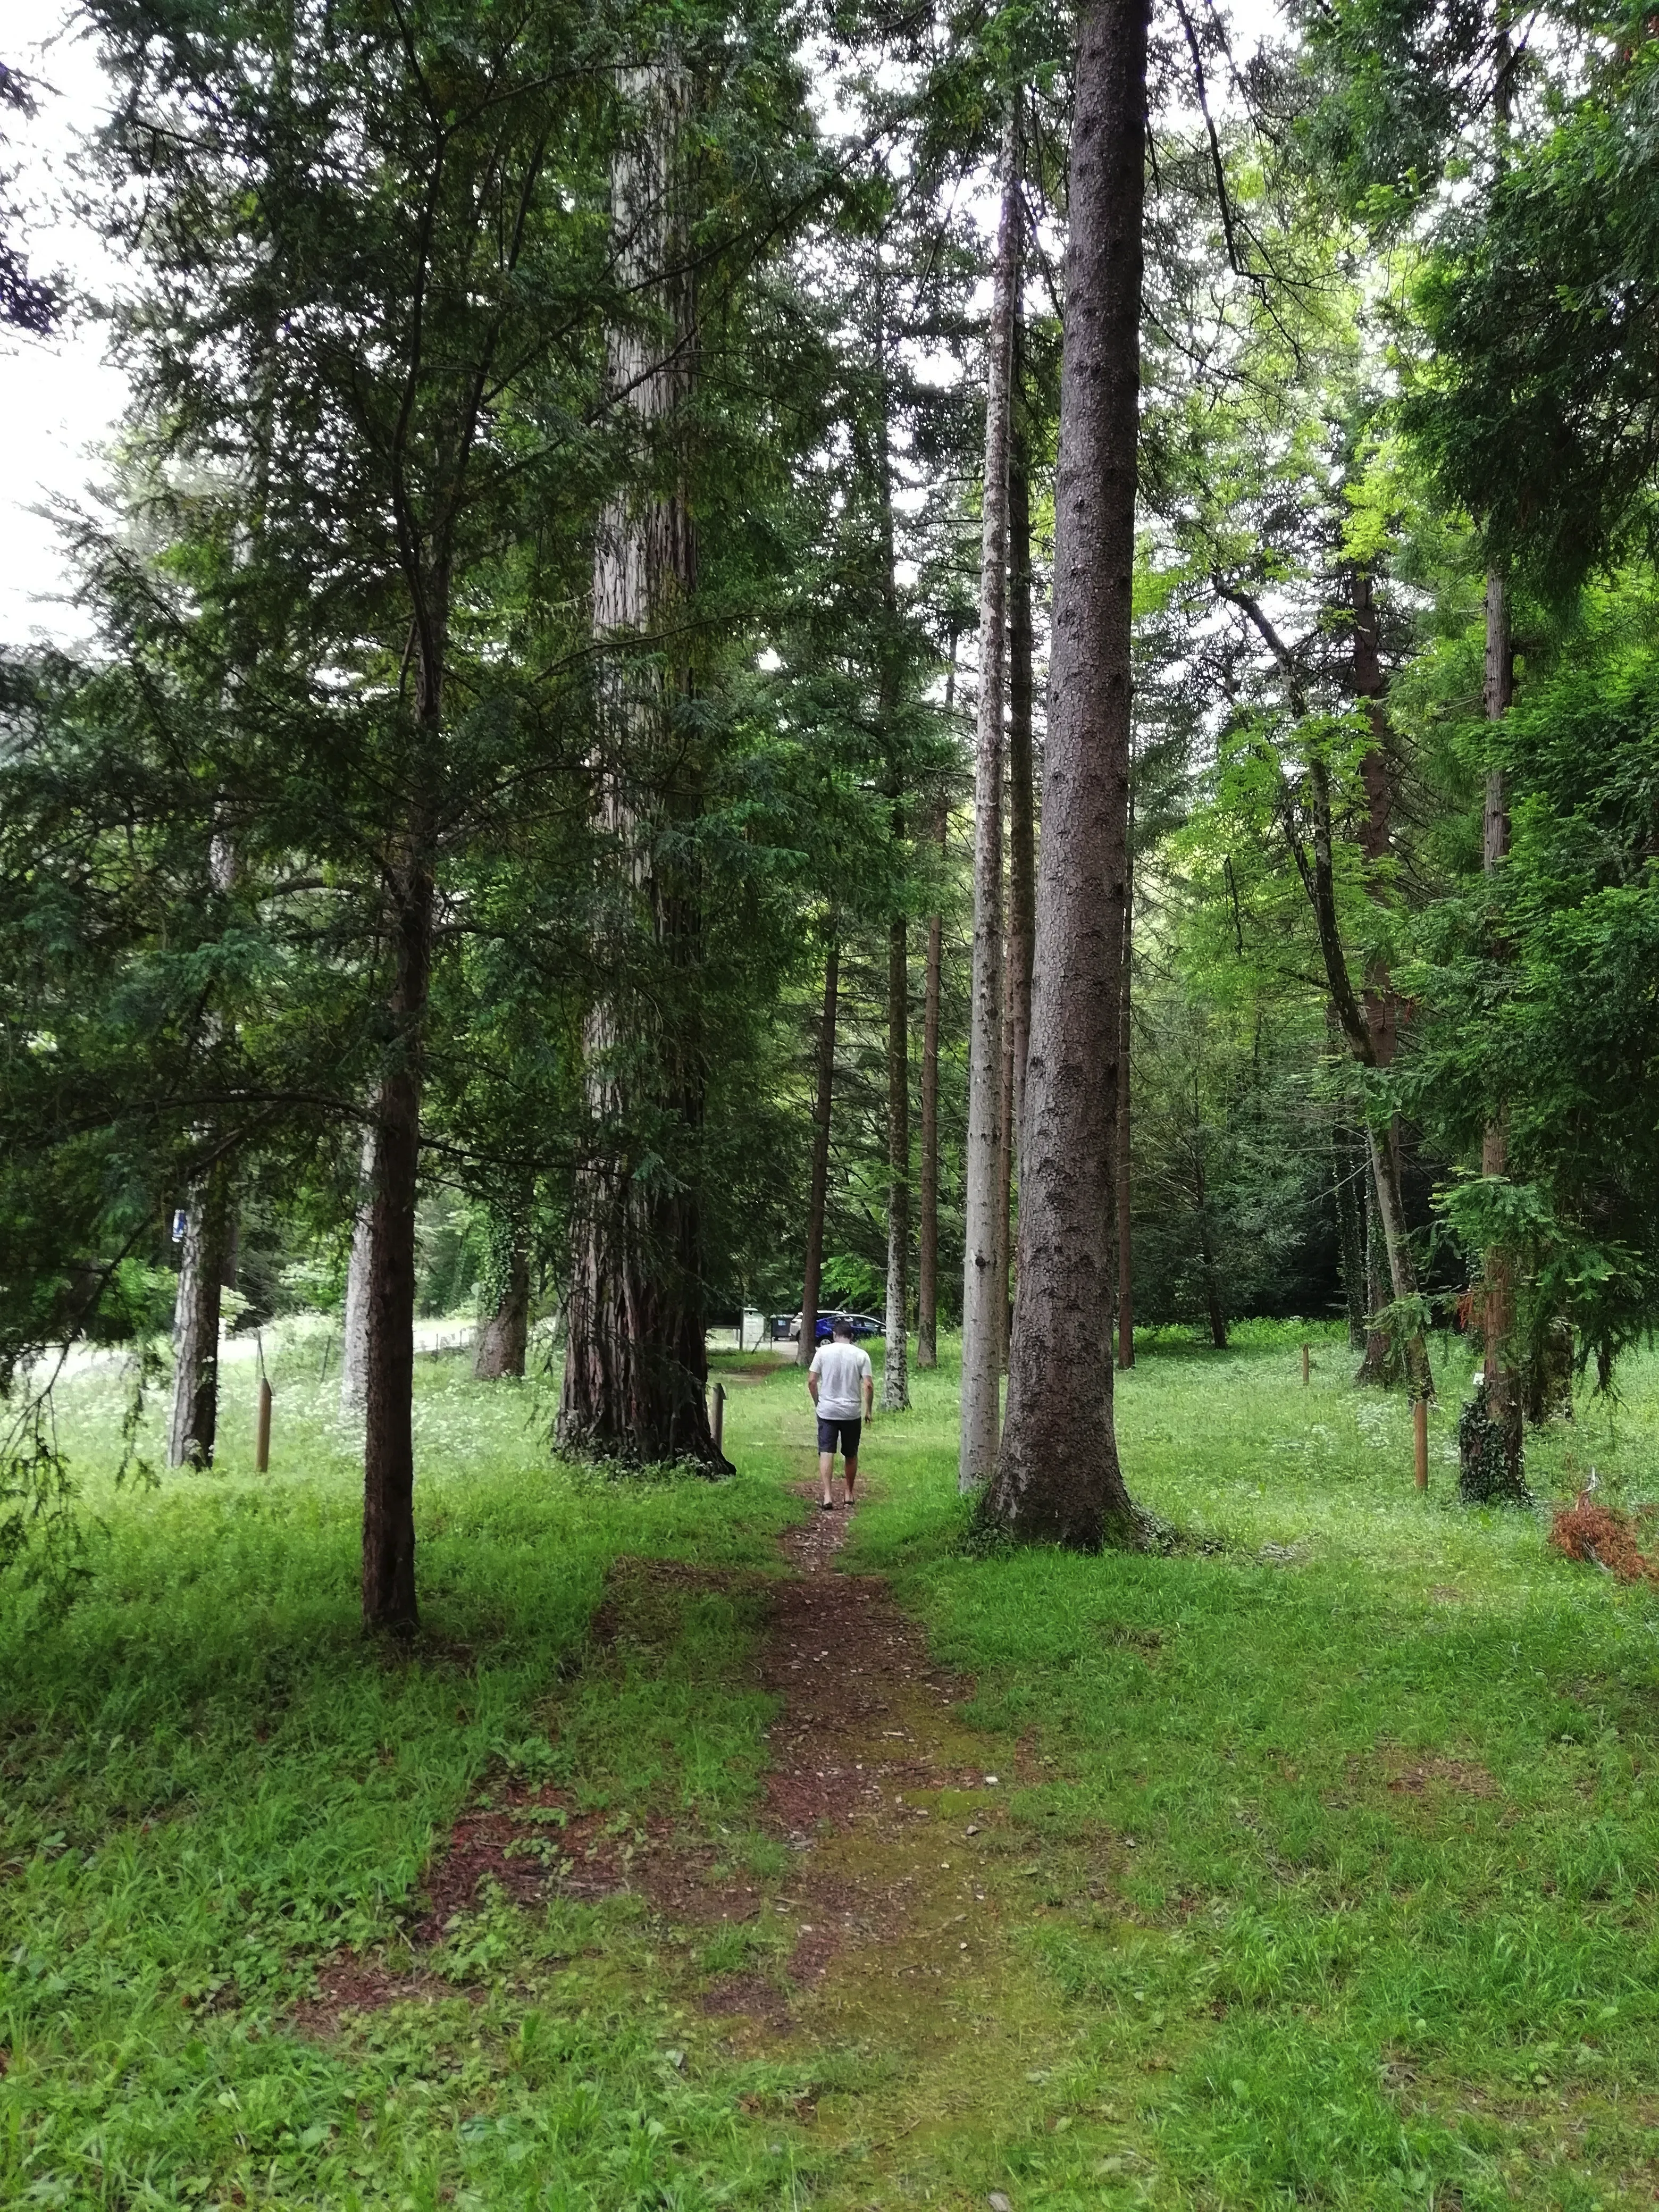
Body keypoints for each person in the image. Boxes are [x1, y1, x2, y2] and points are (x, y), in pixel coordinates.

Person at [806, 1314, 873, 1511]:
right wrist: (868, 1411)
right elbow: (868, 1385)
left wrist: (819, 1402)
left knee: (826, 1452)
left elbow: (811, 1381)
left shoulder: (823, 1352)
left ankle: (827, 1496)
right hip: (852, 1412)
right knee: (851, 1453)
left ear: (835, 1335)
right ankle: (849, 1494)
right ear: (851, 1336)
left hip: (827, 1411)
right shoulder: (861, 1355)